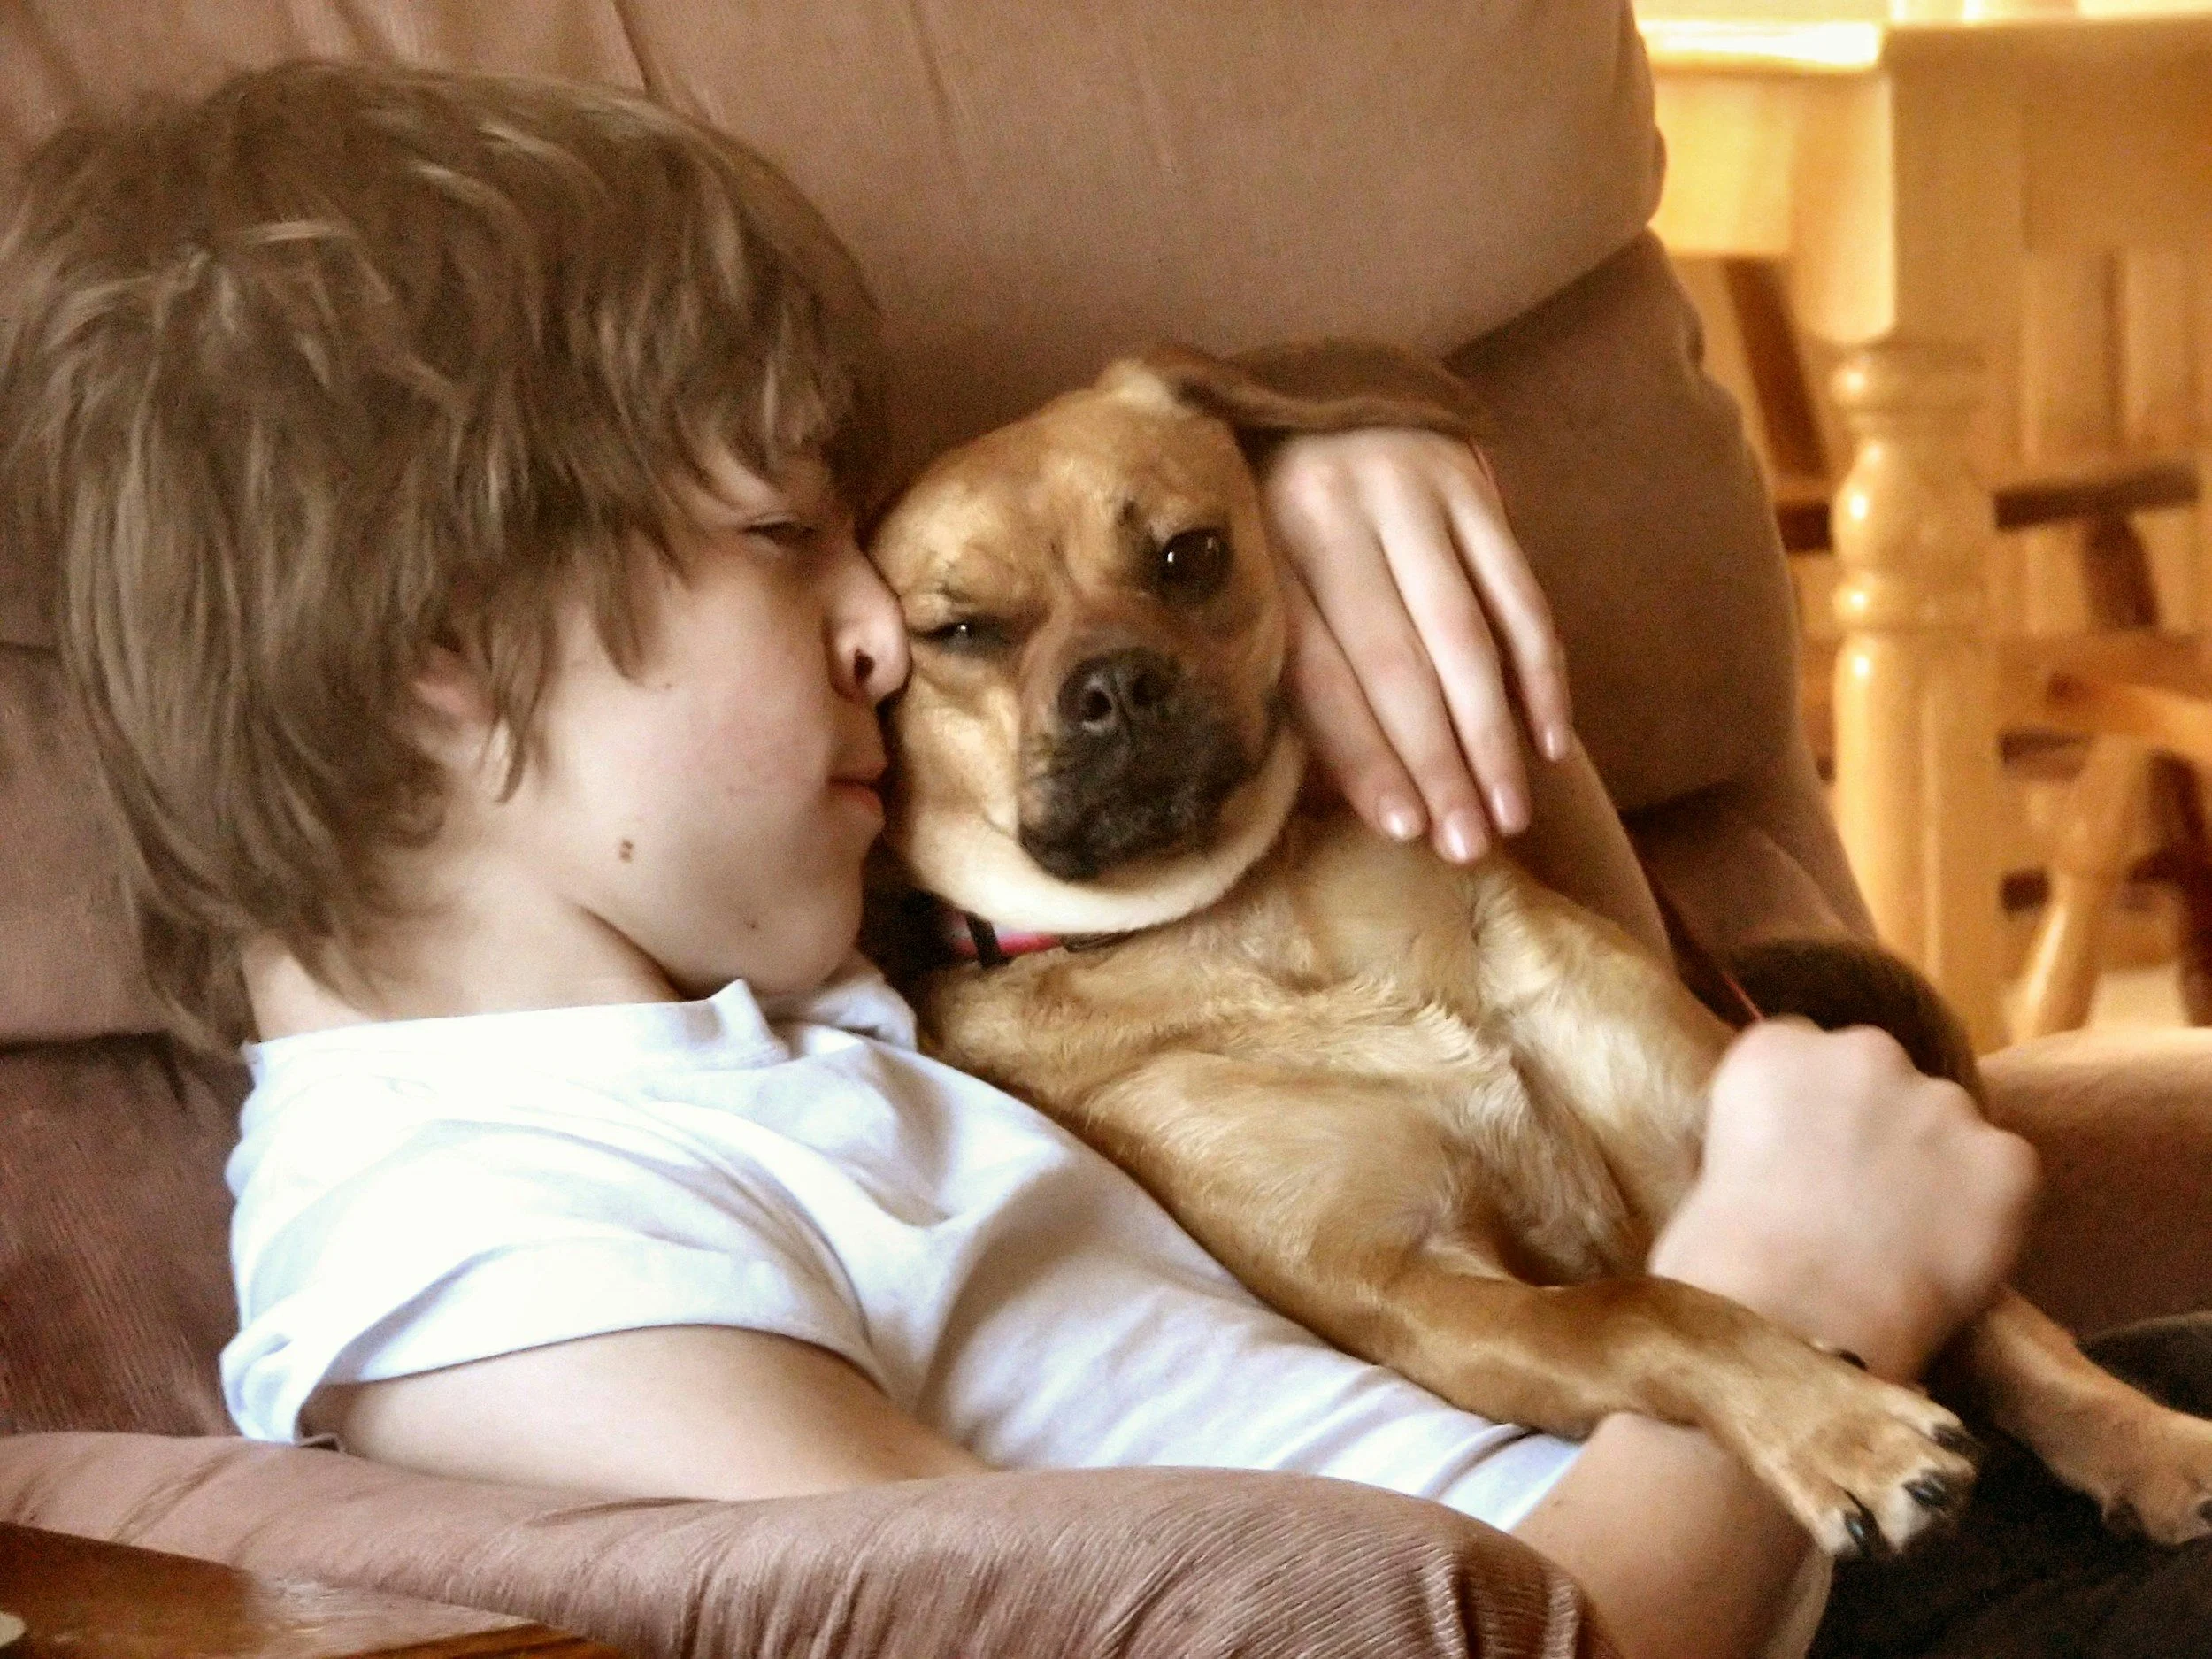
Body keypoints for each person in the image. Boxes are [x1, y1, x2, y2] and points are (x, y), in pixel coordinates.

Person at [0, 60, 2040, 1659]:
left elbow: (1508, 966)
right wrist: (1801, 1293)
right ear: (451, 647)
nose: (880, 629)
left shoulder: (781, 1014)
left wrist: (1329, 457)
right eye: (785, 537)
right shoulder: (498, 1250)